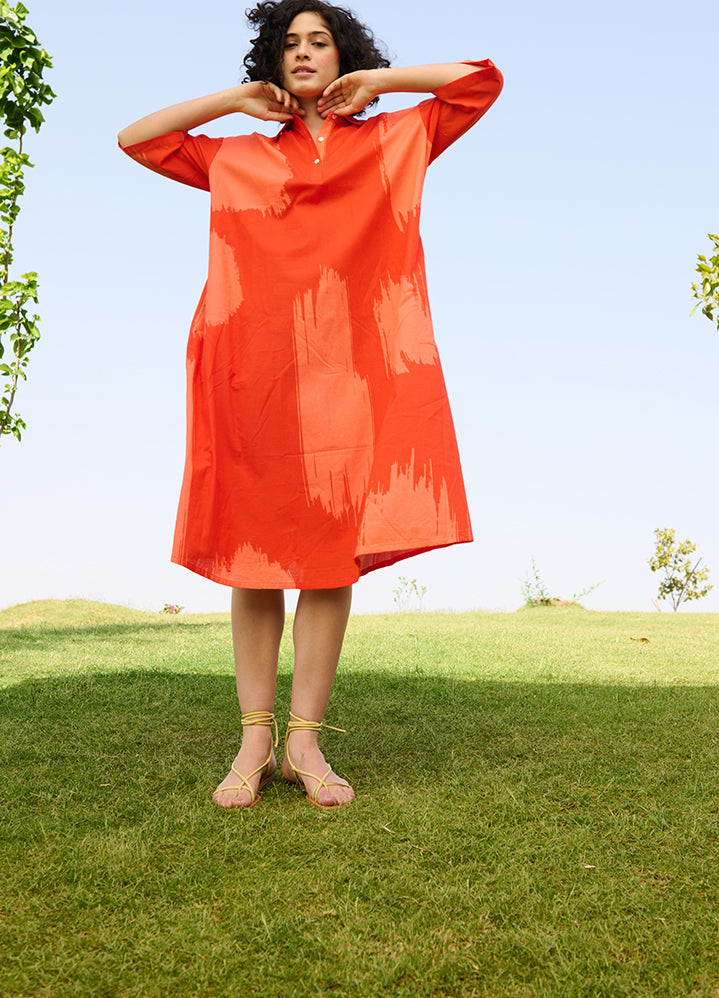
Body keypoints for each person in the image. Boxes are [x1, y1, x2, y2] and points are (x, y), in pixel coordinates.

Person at [118, 0, 502, 811]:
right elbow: (137, 139)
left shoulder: (397, 139)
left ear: (343, 57)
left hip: (356, 379)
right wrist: (233, 99)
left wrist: (381, 84)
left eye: (319, 41)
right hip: (250, 373)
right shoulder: (240, 156)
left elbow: (480, 82)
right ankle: (253, 739)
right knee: (251, 551)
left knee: (330, 557)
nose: (303, 53)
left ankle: (304, 744)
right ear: (272, 60)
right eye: (288, 43)